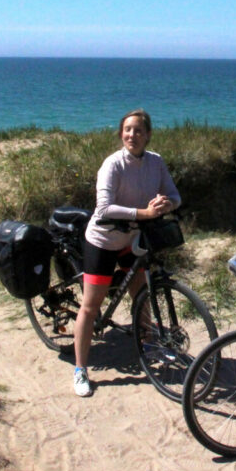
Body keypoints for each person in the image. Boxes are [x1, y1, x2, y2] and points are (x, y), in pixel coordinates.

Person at [74, 108, 181, 397]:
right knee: (90, 306)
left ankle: (147, 345)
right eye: (127, 130)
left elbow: (175, 195)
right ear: (121, 133)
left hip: (132, 239)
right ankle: (80, 370)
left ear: (148, 135)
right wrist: (145, 212)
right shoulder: (113, 164)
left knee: (141, 296)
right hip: (104, 240)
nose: (132, 135)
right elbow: (104, 208)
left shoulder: (155, 163)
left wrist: (165, 204)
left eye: (138, 130)